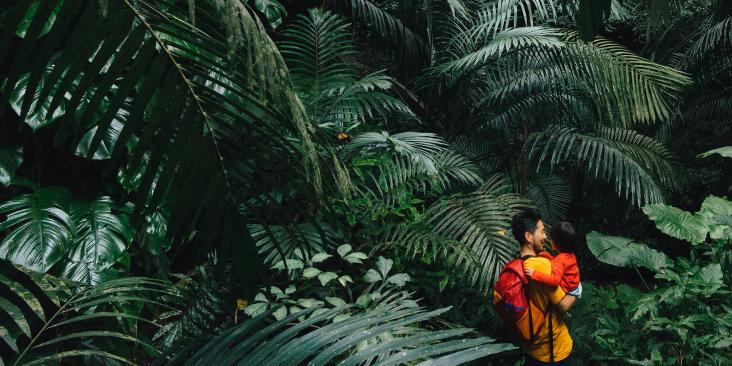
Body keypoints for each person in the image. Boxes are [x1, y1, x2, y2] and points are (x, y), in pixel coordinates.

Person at [510, 209, 576, 365]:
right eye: (542, 231)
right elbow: (563, 306)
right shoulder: (542, 265)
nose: (545, 237)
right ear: (528, 236)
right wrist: (577, 289)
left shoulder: (518, 263)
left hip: (531, 348)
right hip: (554, 352)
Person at [524, 221, 582, 299]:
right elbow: (561, 265)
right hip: (576, 285)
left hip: (570, 290)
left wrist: (534, 274)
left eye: (552, 239)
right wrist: (547, 255)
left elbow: (555, 281)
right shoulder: (570, 255)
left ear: (556, 243)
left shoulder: (559, 261)